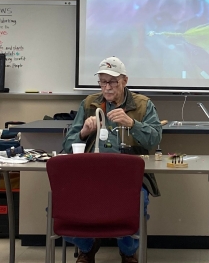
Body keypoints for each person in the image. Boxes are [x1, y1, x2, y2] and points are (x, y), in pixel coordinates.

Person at [62, 56, 162, 263]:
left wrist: (132, 124)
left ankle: (128, 252)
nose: (107, 88)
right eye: (102, 82)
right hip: (90, 175)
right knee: (62, 204)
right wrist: (83, 132)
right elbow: (67, 146)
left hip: (129, 177)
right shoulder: (90, 104)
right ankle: (86, 247)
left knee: (136, 202)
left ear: (124, 80)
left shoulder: (142, 105)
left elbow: (154, 139)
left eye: (112, 82)